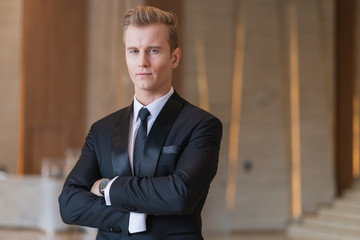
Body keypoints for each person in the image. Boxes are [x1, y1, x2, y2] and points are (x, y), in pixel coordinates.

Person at [58, 5, 222, 240]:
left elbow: (180, 194)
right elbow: (69, 203)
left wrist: (108, 187)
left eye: (153, 50)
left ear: (174, 57)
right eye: (134, 51)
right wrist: (134, 218)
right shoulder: (101, 130)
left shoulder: (201, 125)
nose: (142, 61)